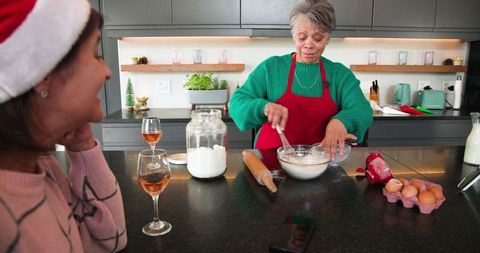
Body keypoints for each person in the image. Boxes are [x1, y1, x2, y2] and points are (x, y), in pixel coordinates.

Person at [0, 0, 127, 252]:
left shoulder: (44, 168)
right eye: (95, 55)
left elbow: (111, 241)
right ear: (41, 74)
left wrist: (83, 147)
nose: (107, 72)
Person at [229, 0, 372, 159]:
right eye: (302, 37)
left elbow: (362, 109)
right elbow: (237, 102)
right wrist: (263, 107)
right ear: (293, 35)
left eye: (317, 38)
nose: (308, 45)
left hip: (322, 163)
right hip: (269, 160)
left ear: (328, 38)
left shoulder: (340, 74)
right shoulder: (271, 68)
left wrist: (341, 122)